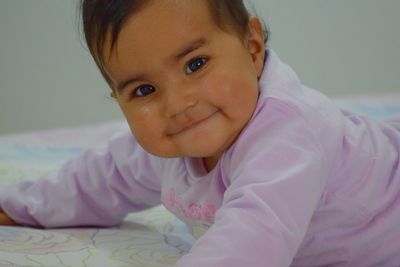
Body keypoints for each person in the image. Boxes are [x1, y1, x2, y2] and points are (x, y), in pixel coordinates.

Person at [1, 0, 400, 266]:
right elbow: (104, 177)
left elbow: (251, 238)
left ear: (252, 47)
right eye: (144, 90)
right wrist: (23, 208)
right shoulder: (172, 141)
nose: (176, 104)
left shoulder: (289, 134)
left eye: (195, 64)